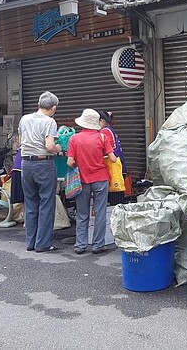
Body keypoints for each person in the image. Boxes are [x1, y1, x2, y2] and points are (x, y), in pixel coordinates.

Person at [67, 109, 116, 255]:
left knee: (82, 213)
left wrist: (78, 163)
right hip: (100, 179)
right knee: (100, 212)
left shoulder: (74, 139)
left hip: (82, 179)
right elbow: (113, 159)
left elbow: (69, 162)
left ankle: (80, 245)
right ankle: (98, 245)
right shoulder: (102, 138)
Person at [18, 91, 62, 253]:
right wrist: (58, 149)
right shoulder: (49, 122)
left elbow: (21, 141)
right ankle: (42, 243)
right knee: (46, 203)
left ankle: (31, 242)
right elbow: (50, 146)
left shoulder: (24, 119)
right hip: (43, 164)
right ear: (53, 108)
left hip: (26, 164)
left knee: (30, 203)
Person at [98, 110, 127, 205]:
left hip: (113, 169)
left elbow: (106, 152)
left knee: (115, 204)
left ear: (101, 121)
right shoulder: (109, 130)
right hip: (118, 167)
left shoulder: (104, 131)